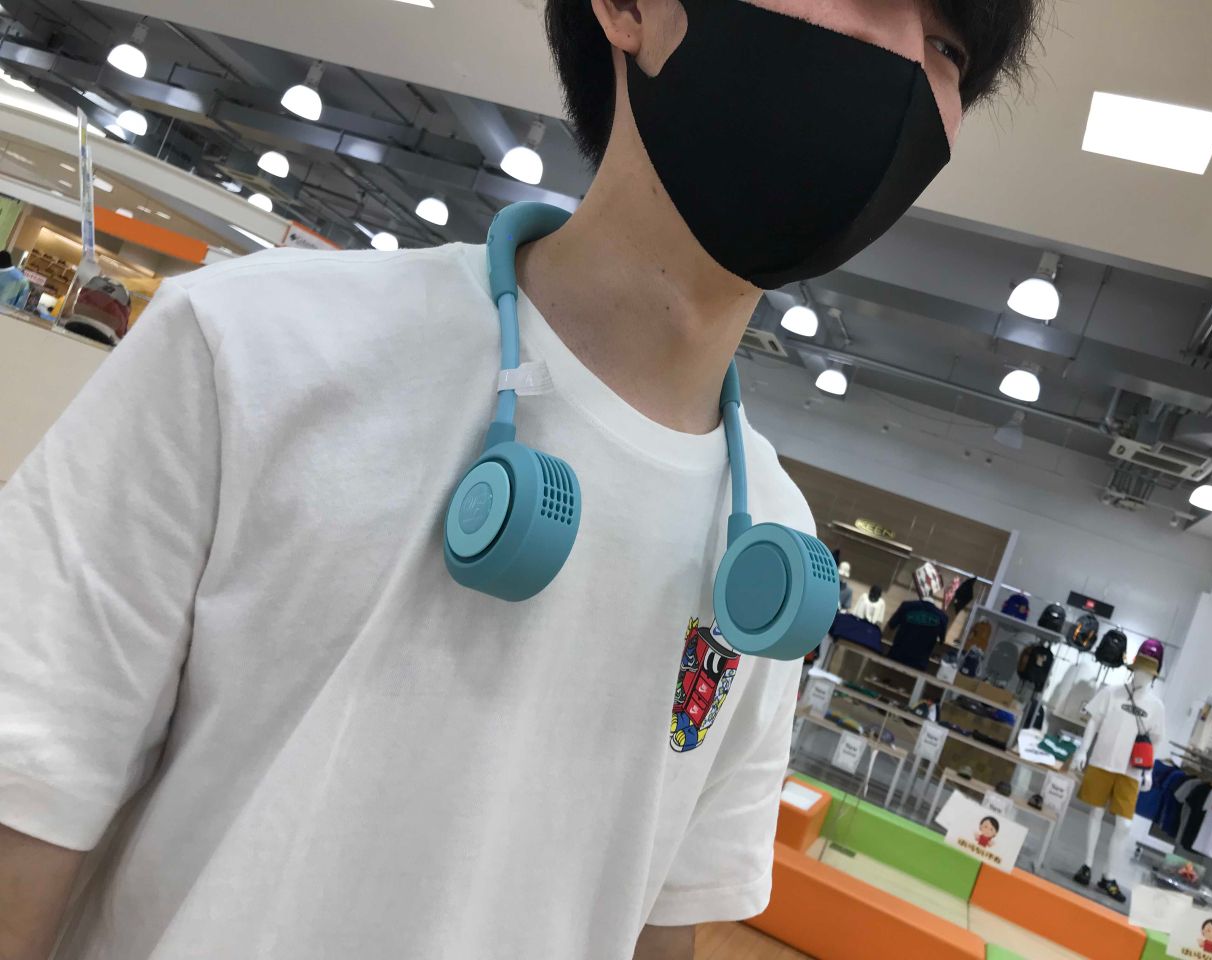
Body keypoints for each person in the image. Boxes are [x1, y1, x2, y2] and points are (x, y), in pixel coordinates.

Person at [0, 1, 1040, 958]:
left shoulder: (769, 540)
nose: (903, 58)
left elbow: (655, 919)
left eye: (950, 48)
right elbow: (26, 814)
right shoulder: (251, 347)